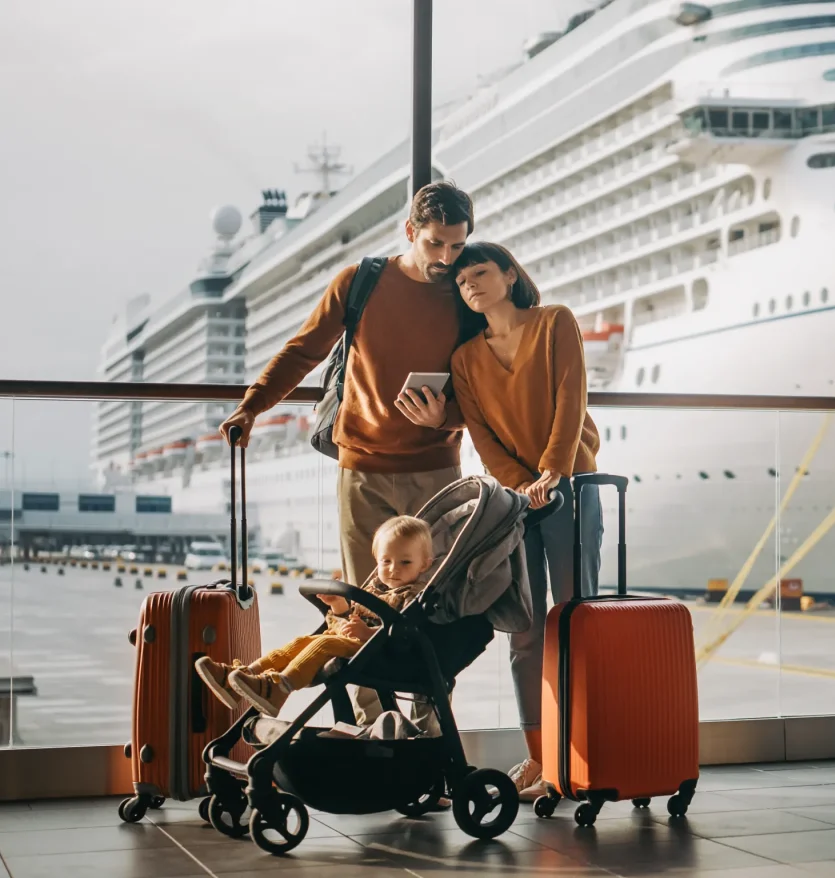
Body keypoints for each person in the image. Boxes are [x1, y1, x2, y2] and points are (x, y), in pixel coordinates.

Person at [220, 181, 474, 588]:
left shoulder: (468, 296)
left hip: (436, 471)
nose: (446, 258)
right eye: (435, 243)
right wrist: (251, 407)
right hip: (361, 472)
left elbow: (486, 385)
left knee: (434, 605)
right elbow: (303, 351)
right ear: (411, 231)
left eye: (457, 246)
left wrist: (447, 417)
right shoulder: (360, 282)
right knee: (364, 602)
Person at [449, 242, 602, 801]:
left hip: (572, 488)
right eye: (462, 281)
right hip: (517, 501)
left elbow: (571, 398)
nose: (471, 286)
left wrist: (553, 473)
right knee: (524, 631)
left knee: (576, 622)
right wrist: (521, 486)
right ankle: (539, 758)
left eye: (481, 273)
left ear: (510, 275)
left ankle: (583, 752)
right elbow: (481, 437)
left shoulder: (554, 322)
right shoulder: (466, 358)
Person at [194, 516, 435, 717]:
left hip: (382, 651)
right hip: (357, 643)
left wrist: (369, 633)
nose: (394, 569)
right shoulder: (376, 588)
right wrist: (339, 605)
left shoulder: (415, 597)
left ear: (424, 564)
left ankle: (279, 689)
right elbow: (350, 623)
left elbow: (408, 635)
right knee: (302, 641)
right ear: (376, 560)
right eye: (386, 561)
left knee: (324, 643)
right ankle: (246, 676)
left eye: (405, 562)